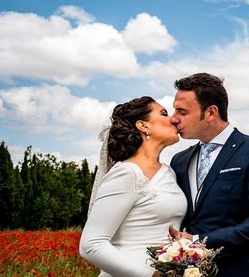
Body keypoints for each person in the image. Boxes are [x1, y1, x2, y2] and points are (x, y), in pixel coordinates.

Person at [168, 72, 249, 277]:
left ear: (211, 112)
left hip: (241, 270)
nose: (173, 119)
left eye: (182, 112)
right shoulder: (179, 160)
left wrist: (199, 241)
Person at [80, 97, 186, 277]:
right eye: (164, 114)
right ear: (143, 126)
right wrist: (148, 275)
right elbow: (91, 244)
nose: (173, 119)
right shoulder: (126, 173)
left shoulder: (169, 172)